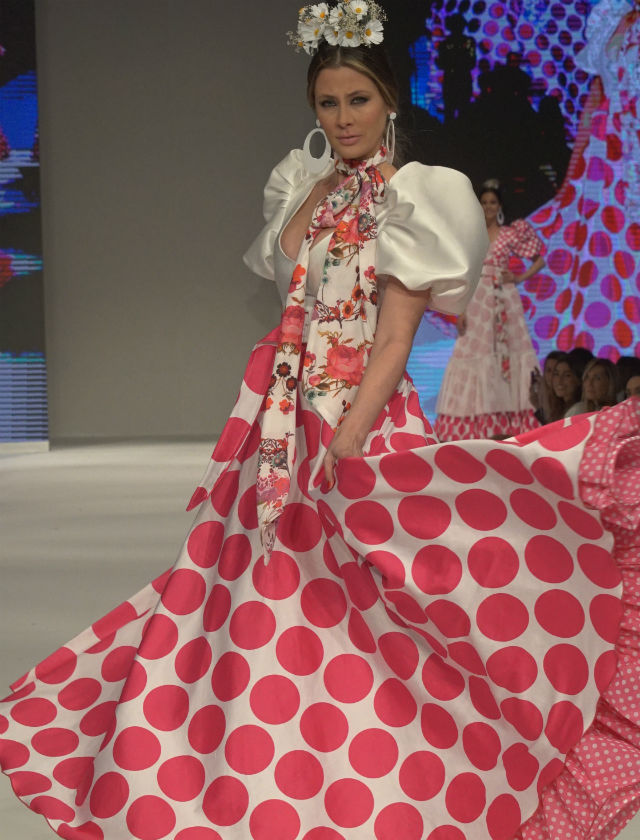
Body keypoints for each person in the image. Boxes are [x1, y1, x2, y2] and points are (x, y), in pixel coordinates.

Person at [1, 5, 640, 840]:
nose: (342, 119)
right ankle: (255, 758)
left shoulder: (417, 199)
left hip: (358, 423)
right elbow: (292, 290)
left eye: (357, 102)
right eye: (328, 104)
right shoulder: (302, 189)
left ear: (389, 103)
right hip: (279, 422)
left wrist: (346, 438)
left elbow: (396, 336)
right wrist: (299, 421)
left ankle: (398, 762)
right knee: (254, 592)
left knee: (383, 605)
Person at [527, 0, 640, 357]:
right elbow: (596, 96)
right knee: (603, 249)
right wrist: (575, 167)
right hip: (606, 157)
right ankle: (609, 353)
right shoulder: (611, 15)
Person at [434, 180, 545, 440]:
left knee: (507, 356)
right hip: (477, 302)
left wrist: (518, 277)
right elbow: (464, 274)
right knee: (475, 355)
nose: (488, 207)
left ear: (500, 206)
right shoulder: (471, 235)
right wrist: (460, 309)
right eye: (484, 202)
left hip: (504, 302)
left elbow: (540, 258)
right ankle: (475, 426)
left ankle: (509, 423)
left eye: (492, 202)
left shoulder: (509, 233)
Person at [529, 349, 565, 424]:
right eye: (548, 370)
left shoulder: (564, 399)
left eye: (556, 371)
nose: (551, 375)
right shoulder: (546, 397)